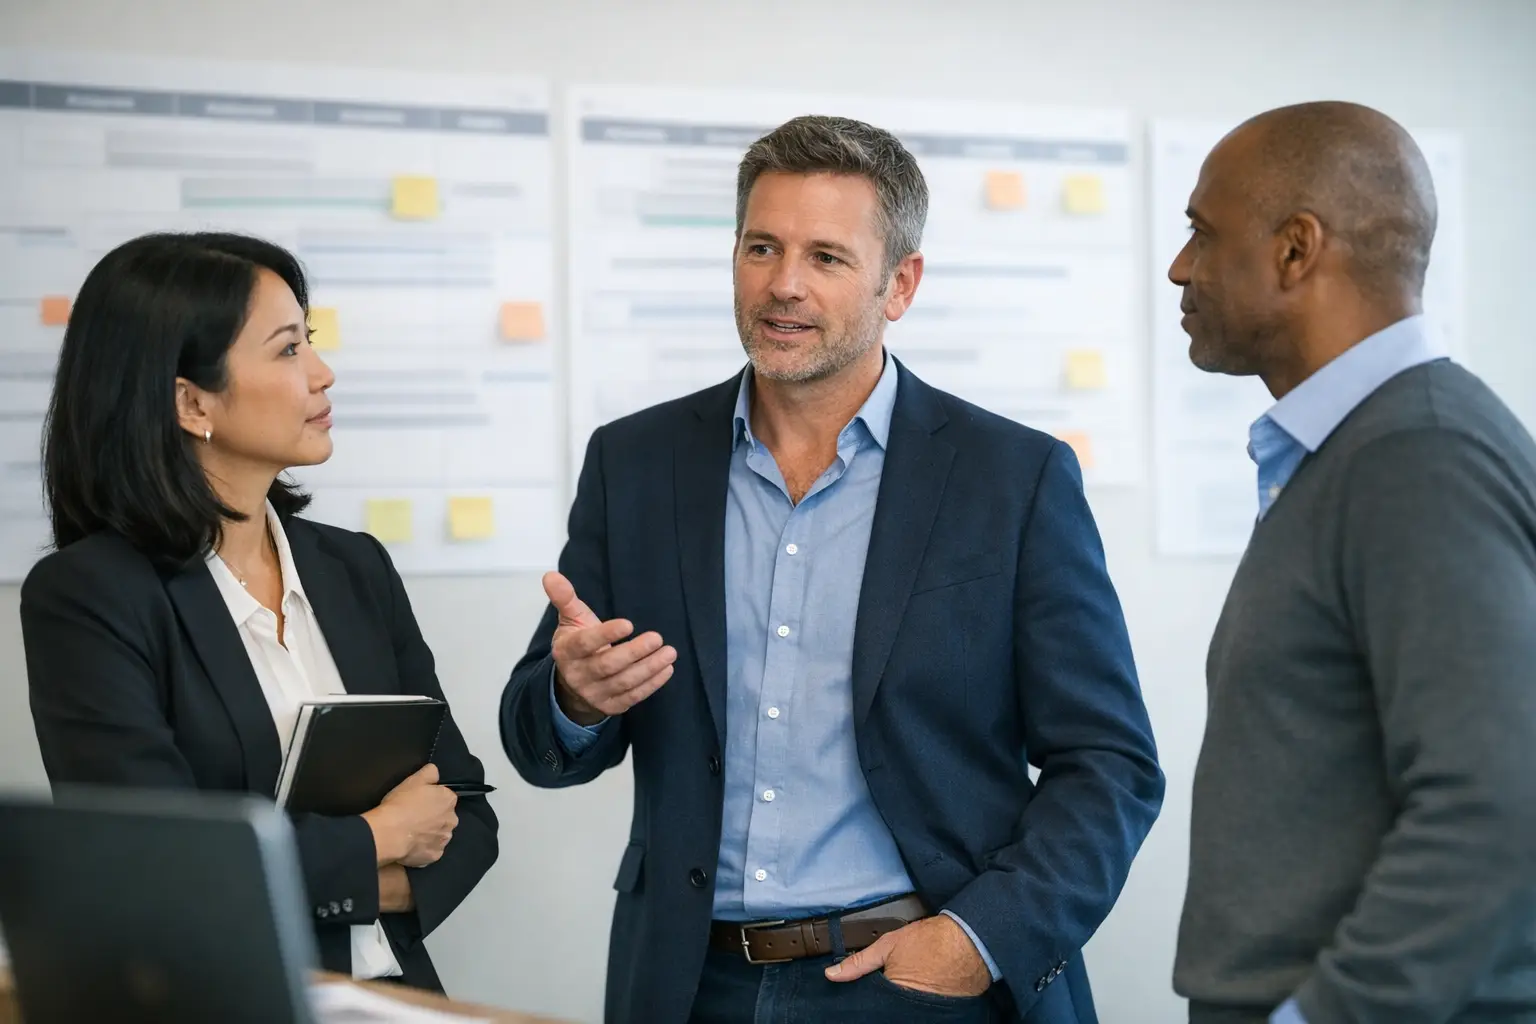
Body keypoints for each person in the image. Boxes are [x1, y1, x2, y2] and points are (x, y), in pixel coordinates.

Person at [501, 115, 1164, 1024]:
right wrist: (575, 699)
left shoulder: (1012, 479)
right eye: (761, 247)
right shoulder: (637, 464)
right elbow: (542, 737)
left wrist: (981, 938)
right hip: (694, 985)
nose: (783, 285)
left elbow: (1110, 762)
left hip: (919, 978)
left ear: (901, 284)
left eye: (826, 257)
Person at [19, 231, 498, 992]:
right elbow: (164, 872)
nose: (322, 372)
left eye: (310, 342)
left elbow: (467, 818)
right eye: (286, 350)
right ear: (191, 400)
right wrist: (380, 836)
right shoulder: (89, 597)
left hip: (391, 1000)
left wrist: (320, 872)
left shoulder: (355, 567)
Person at [1169, 101, 1536, 1024]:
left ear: (1297, 250)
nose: (1180, 268)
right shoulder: (1366, 450)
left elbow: (1494, 801)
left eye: (1201, 236)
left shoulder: (1419, 457)